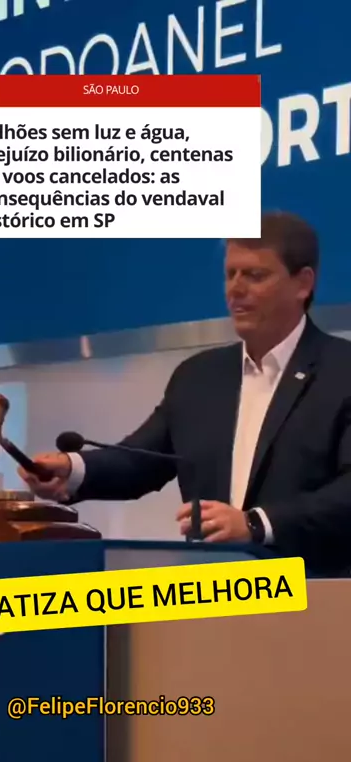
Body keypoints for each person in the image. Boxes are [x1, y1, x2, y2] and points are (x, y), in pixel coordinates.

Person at [20, 211, 351, 574]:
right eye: (230, 274)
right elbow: (142, 459)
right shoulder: (199, 376)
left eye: (255, 275)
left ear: (303, 284)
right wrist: (72, 470)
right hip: (212, 589)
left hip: (319, 592)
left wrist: (256, 524)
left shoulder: (342, 370)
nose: (235, 289)